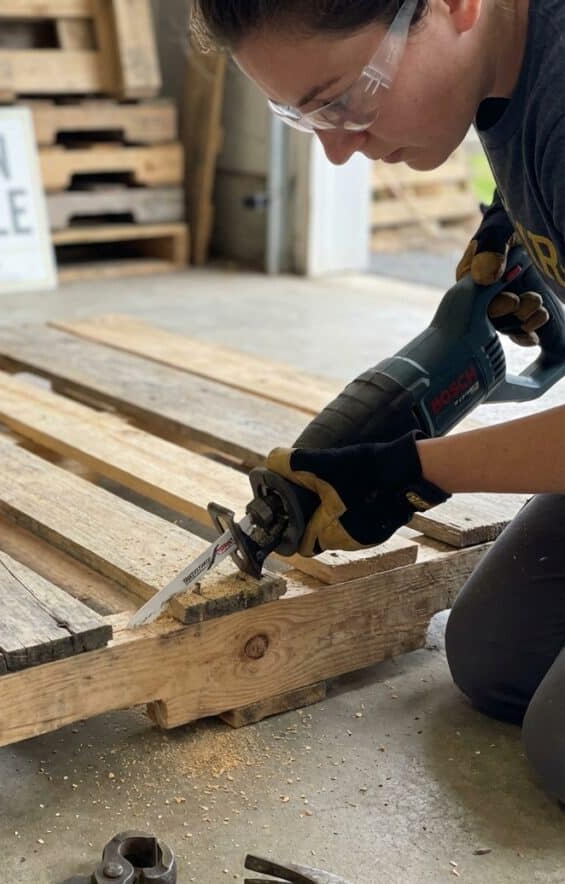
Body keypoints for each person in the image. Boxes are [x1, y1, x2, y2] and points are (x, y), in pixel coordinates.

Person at [191, 0, 565, 803]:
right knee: (493, 661)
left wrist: (410, 471)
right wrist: (525, 229)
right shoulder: (504, 71)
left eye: (345, 100)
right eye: (302, 118)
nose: (333, 151)